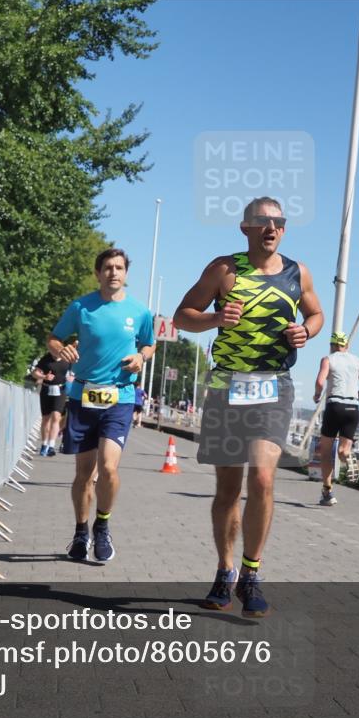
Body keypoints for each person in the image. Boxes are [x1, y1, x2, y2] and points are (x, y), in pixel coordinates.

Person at [174, 196, 323, 617]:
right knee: (227, 491)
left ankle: (251, 573)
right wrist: (215, 320)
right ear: (246, 228)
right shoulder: (224, 269)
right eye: (262, 222)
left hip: (274, 386)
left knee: (261, 478)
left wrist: (305, 332)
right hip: (226, 386)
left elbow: (316, 315)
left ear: (284, 229)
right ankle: (225, 570)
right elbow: (183, 316)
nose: (271, 228)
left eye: (278, 222)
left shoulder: (298, 272)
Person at [48, 248, 154, 562]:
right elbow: (53, 338)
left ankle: (102, 527)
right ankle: (81, 532)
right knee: (83, 474)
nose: (113, 273)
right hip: (83, 396)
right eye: (107, 267)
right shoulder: (81, 306)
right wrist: (61, 349)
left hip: (119, 397)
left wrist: (140, 357)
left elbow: (149, 344)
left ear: (126, 273)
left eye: (119, 267)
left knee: (108, 467)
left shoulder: (140, 311)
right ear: (98, 273)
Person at [313, 331, 359, 505]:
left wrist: (317, 395)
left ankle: (327, 492)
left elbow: (319, 382)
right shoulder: (357, 361)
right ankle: (347, 455)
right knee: (342, 451)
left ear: (332, 345)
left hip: (334, 406)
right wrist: (355, 397)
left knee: (325, 452)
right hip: (352, 407)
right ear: (346, 346)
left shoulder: (328, 359)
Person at [32, 348, 72, 456]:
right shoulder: (46, 359)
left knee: (56, 416)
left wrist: (72, 377)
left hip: (60, 390)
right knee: (46, 418)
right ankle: (44, 444)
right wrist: (44, 376)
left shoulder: (67, 359)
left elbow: (75, 371)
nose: (55, 354)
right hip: (46, 389)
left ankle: (51, 445)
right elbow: (35, 373)